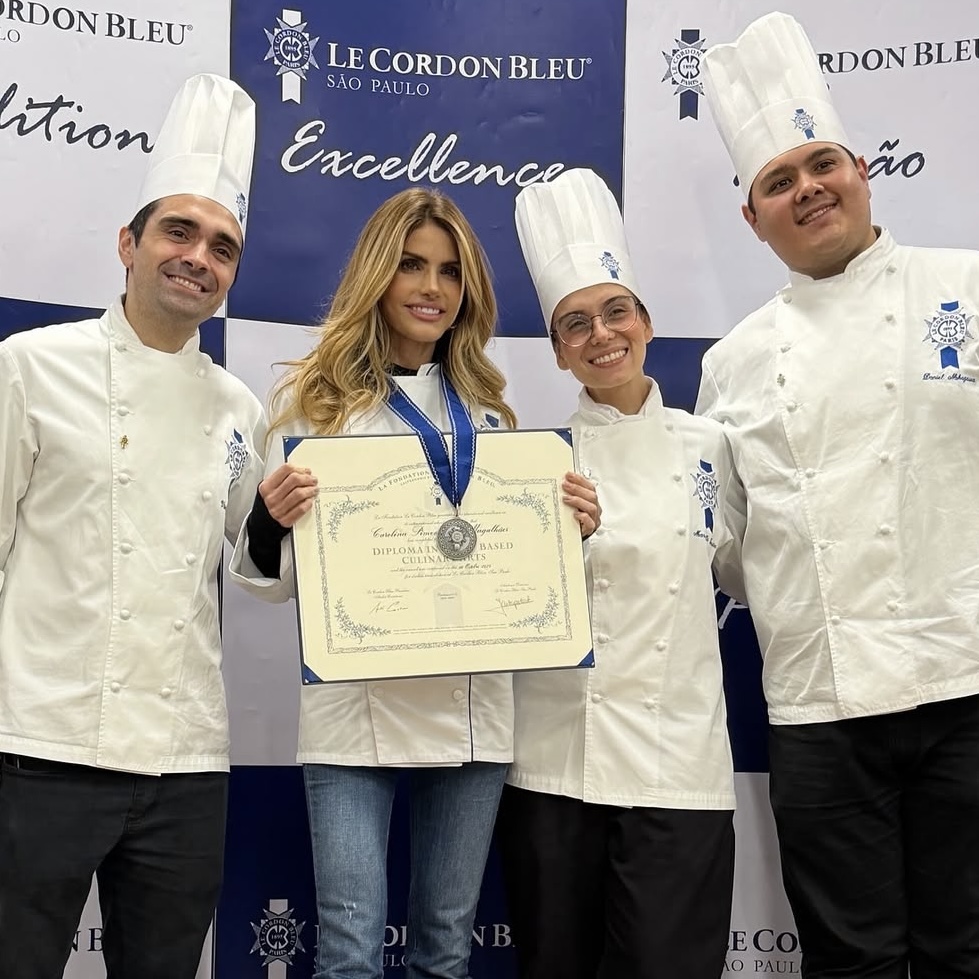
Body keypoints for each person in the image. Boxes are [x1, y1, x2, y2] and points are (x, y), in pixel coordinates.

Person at [229, 185, 600, 979]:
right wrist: (267, 519)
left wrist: (568, 532)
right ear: (376, 274)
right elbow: (275, 583)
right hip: (351, 707)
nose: (431, 287)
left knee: (442, 949)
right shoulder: (308, 402)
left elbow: (514, 568)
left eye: (448, 271)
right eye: (410, 266)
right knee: (351, 951)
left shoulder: (490, 415)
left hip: (471, 705)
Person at [696, 12, 979, 979]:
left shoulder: (967, 288)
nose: (806, 188)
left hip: (965, 676)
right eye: (778, 180)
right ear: (752, 215)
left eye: (822, 163)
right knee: (847, 960)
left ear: (861, 170)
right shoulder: (732, 362)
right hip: (819, 702)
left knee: (963, 948)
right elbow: (725, 544)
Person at [0, 74, 264, 979]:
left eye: (222, 246)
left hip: (186, 756)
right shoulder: (30, 367)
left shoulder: (239, 407)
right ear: (130, 242)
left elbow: (258, 568)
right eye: (178, 232)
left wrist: (285, 517)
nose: (198, 257)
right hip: (40, 745)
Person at [493, 167, 739, 979]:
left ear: (645, 320)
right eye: (575, 324)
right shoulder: (531, 463)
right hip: (556, 767)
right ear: (559, 353)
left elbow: (746, 575)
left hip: (679, 773)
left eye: (615, 312)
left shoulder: (712, 446)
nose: (600, 334)